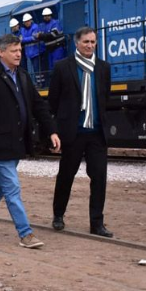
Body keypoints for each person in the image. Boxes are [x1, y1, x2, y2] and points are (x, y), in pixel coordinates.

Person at [0, 34, 60, 249]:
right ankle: (25, 233)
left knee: (1, 187)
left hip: (17, 141)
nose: (19, 53)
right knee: (12, 188)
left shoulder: (22, 75)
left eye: (19, 49)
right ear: (1, 52)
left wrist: (52, 131)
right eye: (14, 50)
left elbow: (38, 105)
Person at [48, 26, 113, 238]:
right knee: (66, 176)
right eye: (86, 42)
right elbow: (53, 101)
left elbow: (106, 98)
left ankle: (97, 223)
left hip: (96, 133)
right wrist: (56, 130)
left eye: (93, 42)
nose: (90, 45)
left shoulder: (103, 68)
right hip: (72, 133)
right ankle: (58, 215)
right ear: (77, 43)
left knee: (99, 178)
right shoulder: (62, 67)